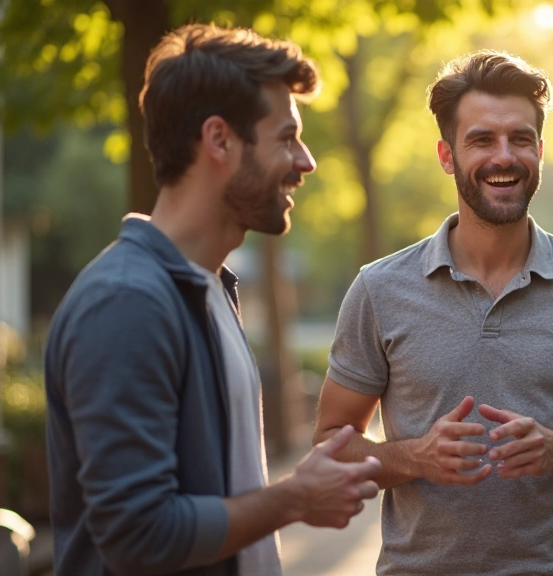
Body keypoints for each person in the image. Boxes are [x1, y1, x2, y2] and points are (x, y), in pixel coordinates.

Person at [44, 24, 381, 576]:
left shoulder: (208, 288)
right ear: (219, 139)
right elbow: (139, 536)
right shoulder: (128, 303)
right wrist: (295, 497)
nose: (306, 161)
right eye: (286, 136)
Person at [313, 50, 553, 575]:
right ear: (447, 155)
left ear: (540, 150)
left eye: (519, 139)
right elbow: (331, 447)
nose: (504, 157)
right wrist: (414, 457)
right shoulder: (378, 289)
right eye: (481, 140)